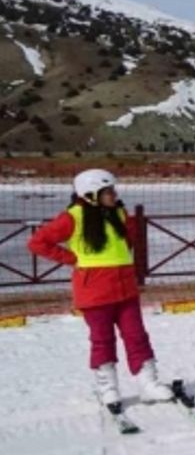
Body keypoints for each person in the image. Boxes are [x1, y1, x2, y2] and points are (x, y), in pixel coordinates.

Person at [27, 169, 174, 407]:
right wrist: (71, 258)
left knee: (137, 336)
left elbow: (128, 241)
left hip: (125, 289)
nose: (114, 195)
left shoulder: (119, 213)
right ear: (90, 194)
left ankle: (148, 384)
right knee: (102, 339)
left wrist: (128, 224)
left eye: (113, 190)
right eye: (108, 191)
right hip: (94, 292)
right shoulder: (72, 217)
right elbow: (38, 242)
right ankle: (108, 388)